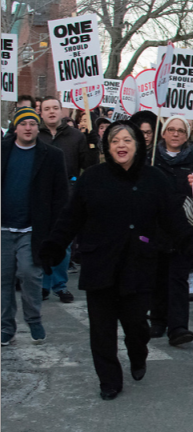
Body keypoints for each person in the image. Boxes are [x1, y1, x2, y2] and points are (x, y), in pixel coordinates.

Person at [40, 122, 191, 399]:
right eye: (114, 141)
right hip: (100, 264)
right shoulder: (92, 178)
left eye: (127, 140)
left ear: (138, 145)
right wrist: (54, 245)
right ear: (107, 147)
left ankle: (138, 353)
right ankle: (109, 380)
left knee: (136, 325)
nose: (121, 145)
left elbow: (172, 218)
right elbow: (71, 216)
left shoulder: (155, 178)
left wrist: (189, 243)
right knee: (101, 330)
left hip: (139, 263)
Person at [1, 108, 69, 347]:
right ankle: (6, 327)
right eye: (23, 124)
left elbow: (61, 195)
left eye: (32, 123)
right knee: (3, 279)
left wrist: (55, 229)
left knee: (30, 274)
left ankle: (33, 318)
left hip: (33, 229)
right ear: (16, 127)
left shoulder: (51, 155)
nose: (28, 128)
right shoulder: (3, 150)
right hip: (3, 229)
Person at [37, 95, 97, 301]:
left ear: (62, 111)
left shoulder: (75, 136)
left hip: (67, 194)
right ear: (41, 112)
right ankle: (43, 284)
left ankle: (60, 285)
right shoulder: (34, 134)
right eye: (47, 108)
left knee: (64, 241)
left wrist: (92, 144)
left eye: (55, 108)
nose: (52, 112)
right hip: (40, 195)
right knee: (42, 240)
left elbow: (89, 165)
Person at [151, 117, 193, 345]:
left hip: (183, 229)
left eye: (181, 131)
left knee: (178, 277)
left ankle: (178, 327)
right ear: (163, 133)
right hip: (157, 228)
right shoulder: (151, 159)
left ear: (187, 135)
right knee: (158, 276)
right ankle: (158, 321)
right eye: (171, 129)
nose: (175, 134)